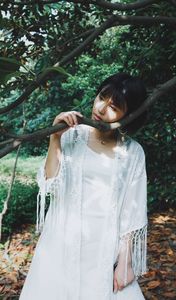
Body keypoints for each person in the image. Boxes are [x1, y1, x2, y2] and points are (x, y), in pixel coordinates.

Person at [19, 72, 148, 300]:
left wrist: (125, 262)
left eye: (114, 106)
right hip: (61, 240)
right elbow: (49, 183)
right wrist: (55, 138)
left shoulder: (132, 152)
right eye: (101, 97)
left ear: (130, 114)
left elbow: (132, 208)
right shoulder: (72, 136)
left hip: (102, 246)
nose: (101, 108)